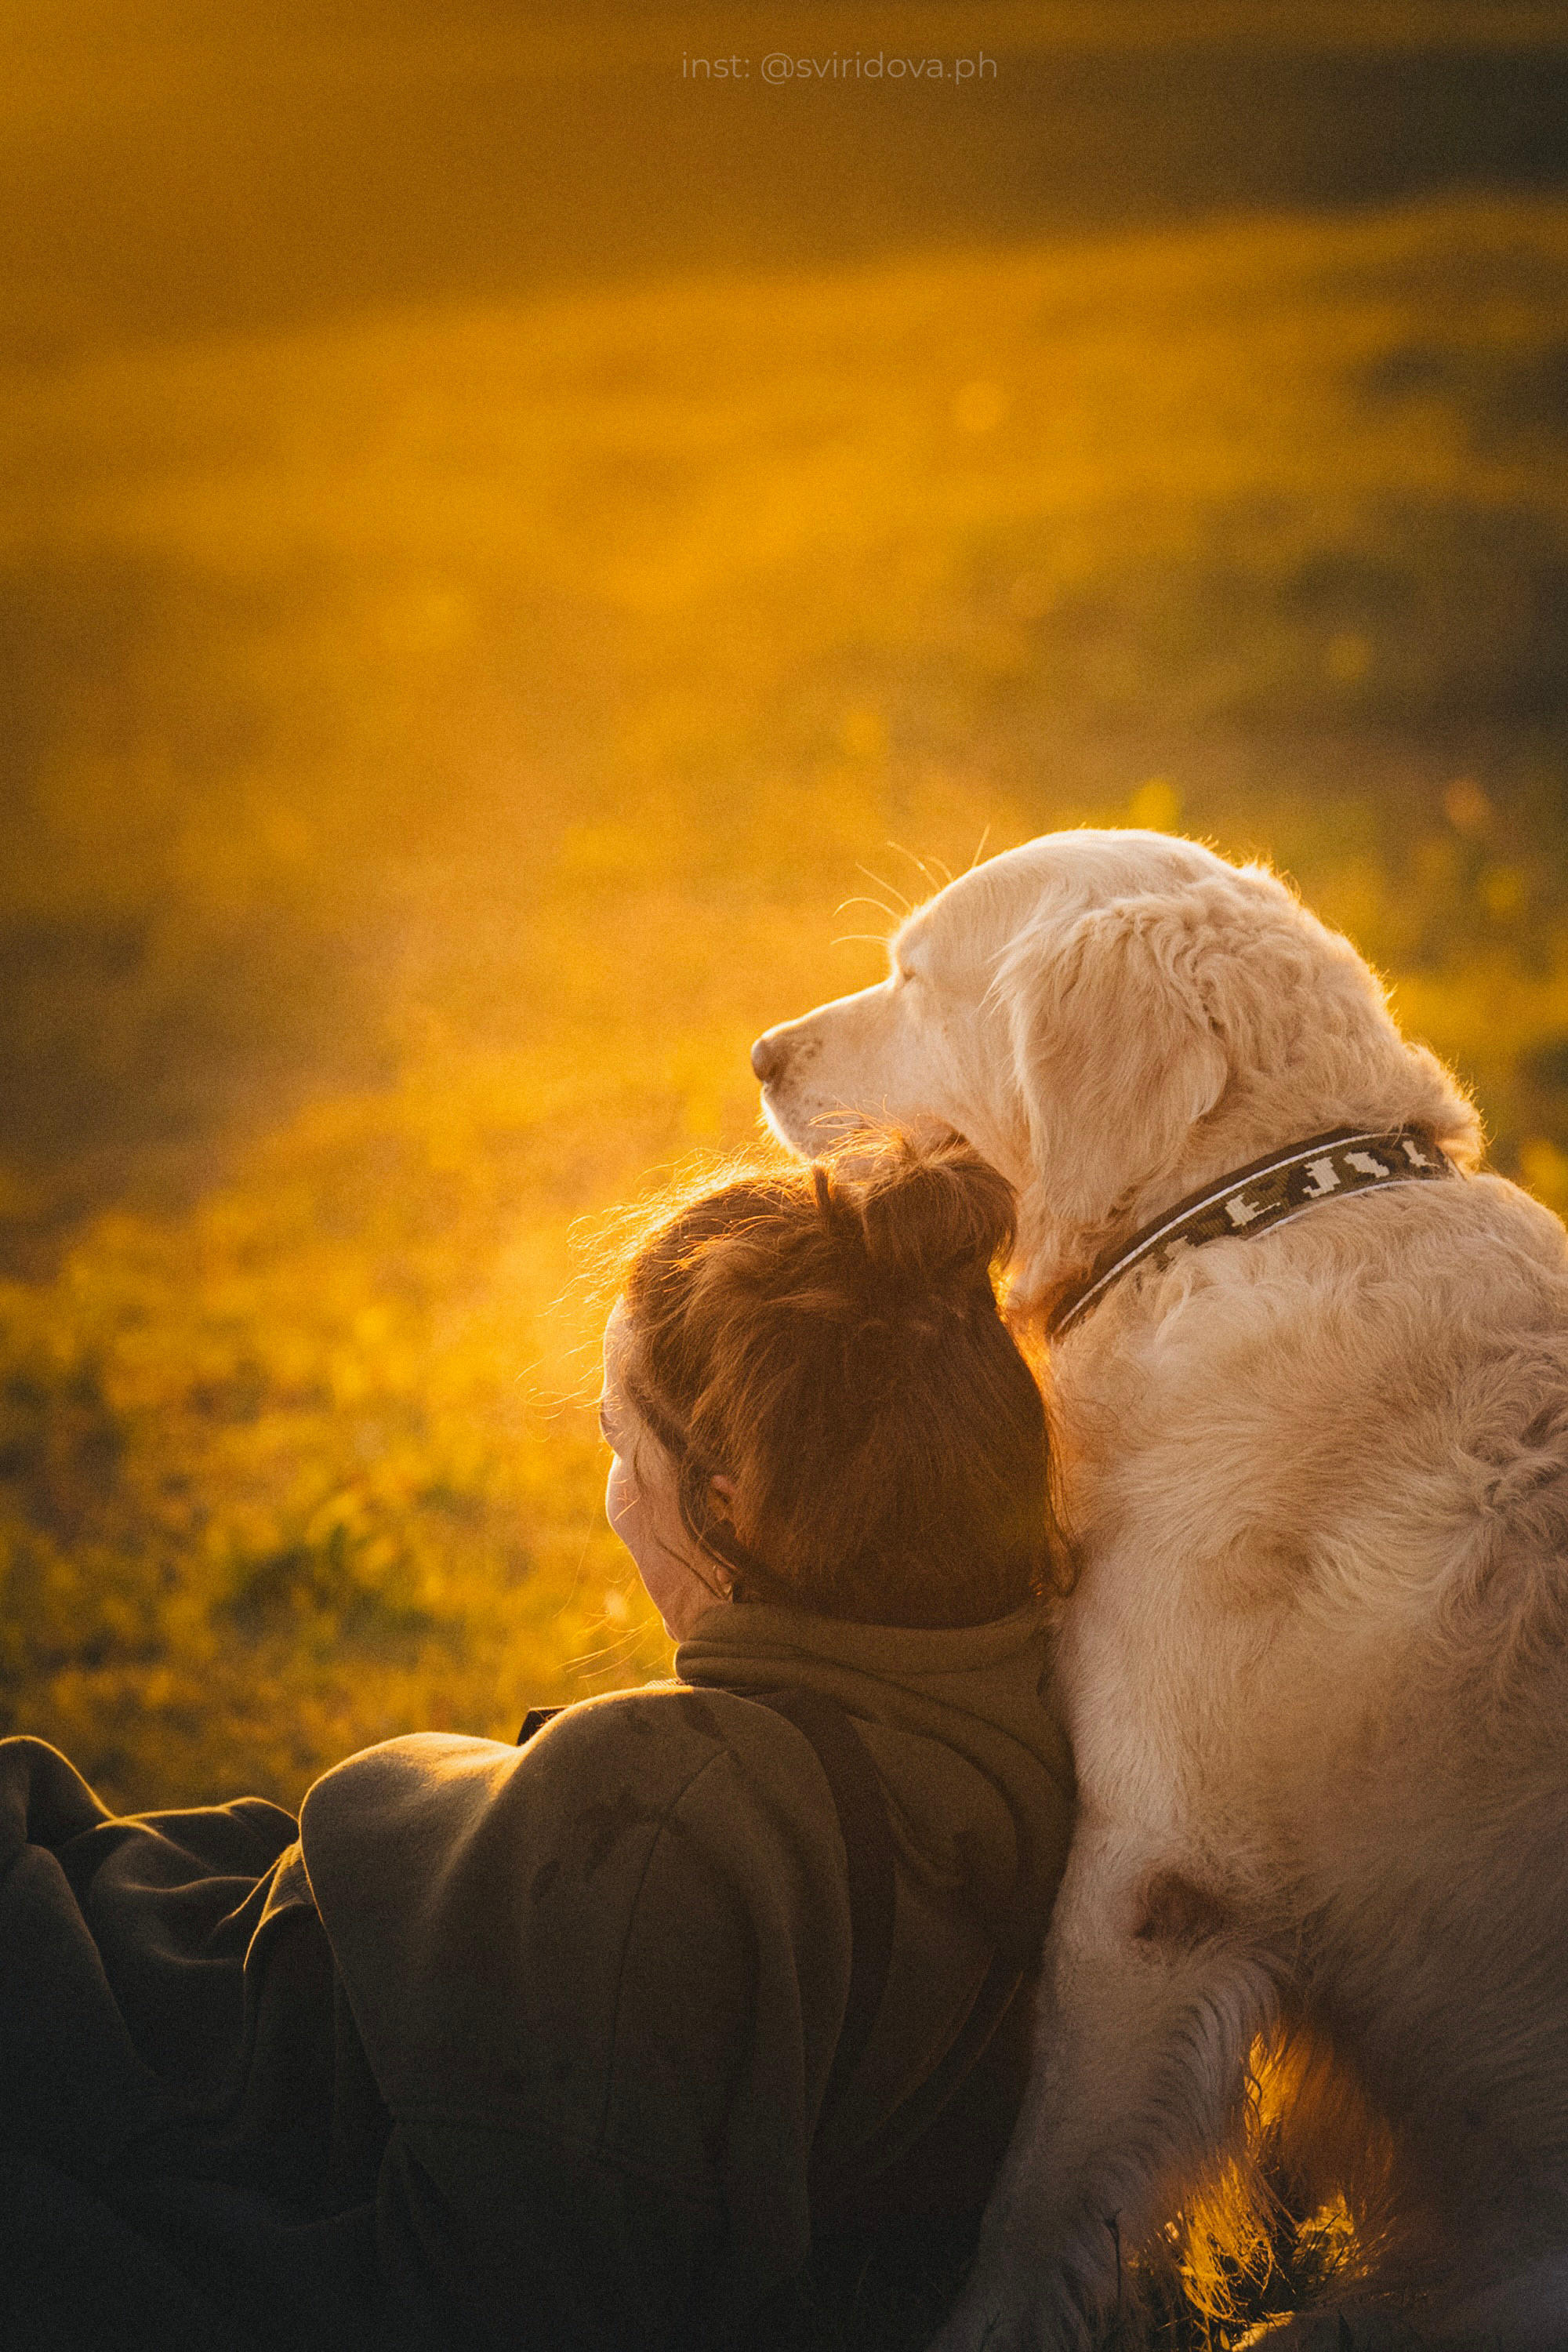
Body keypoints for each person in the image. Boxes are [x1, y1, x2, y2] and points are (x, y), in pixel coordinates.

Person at [0, 1137, 1075, 2352]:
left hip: (177, 2033)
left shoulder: (665, 1825)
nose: (612, 1500)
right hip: (217, 1924)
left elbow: (462, 2301)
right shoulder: (1046, 1736)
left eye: (625, 1451)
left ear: (726, 1509)